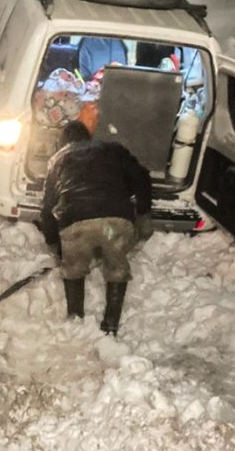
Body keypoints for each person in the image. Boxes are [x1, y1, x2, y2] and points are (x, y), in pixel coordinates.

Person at [39, 120, 152, 335]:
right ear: (88, 138)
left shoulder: (57, 160)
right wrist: (144, 213)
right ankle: (110, 326)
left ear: (62, 143)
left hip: (75, 222)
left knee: (73, 269)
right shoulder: (112, 149)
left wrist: (54, 244)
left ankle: (75, 321)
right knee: (116, 269)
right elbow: (142, 177)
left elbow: (46, 210)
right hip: (116, 219)